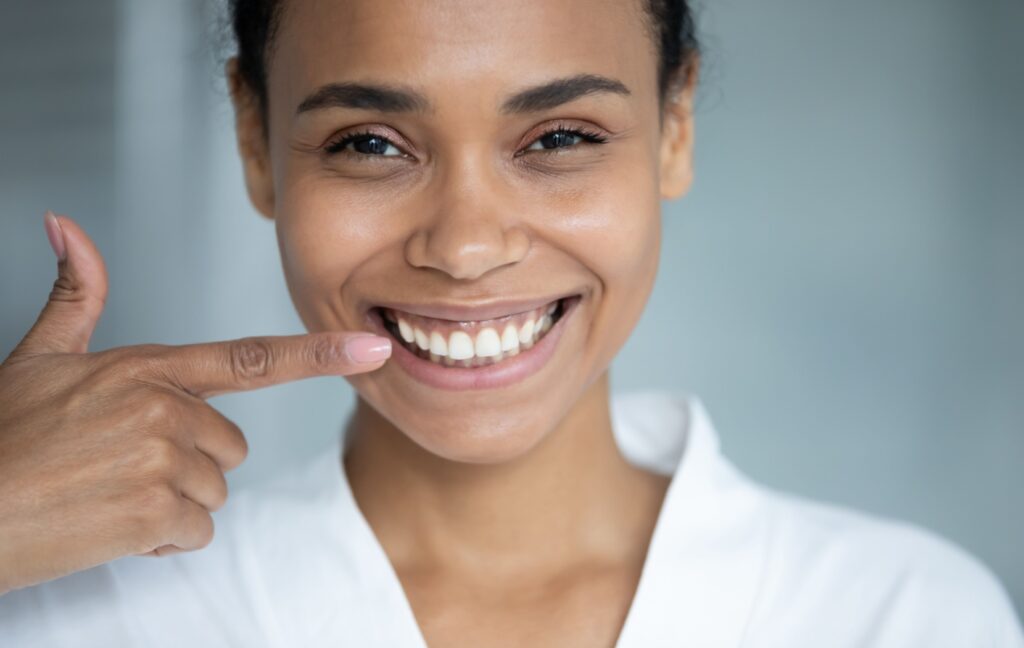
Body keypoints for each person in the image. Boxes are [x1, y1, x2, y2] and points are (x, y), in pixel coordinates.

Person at [0, 0, 1021, 645]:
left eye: (561, 136)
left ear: (674, 125)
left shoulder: (908, 616)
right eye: (370, 144)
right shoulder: (75, 613)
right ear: (257, 139)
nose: (466, 244)